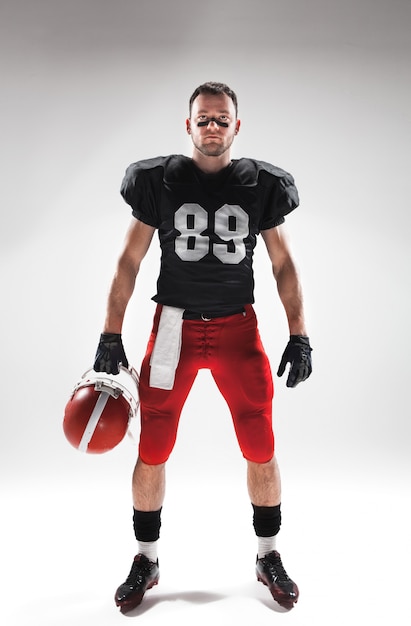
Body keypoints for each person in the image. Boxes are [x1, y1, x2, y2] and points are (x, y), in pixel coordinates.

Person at [93, 81, 312, 613]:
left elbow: (282, 264)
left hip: (239, 328)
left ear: (237, 125)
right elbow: (129, 260)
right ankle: (146, 558)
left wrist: (300, 334)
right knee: (154, 446)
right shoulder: (158, 180)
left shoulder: (261, 184)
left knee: (260, 442)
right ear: (187, 124)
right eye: (203, 118)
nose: (212, 127)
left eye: (222, 119)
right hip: (173, 328)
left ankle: (268, 554)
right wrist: (110, 332)